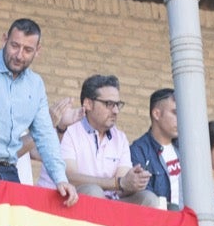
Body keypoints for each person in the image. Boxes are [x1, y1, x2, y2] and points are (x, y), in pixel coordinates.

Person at [0, 20, 77, 204]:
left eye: (27, 50)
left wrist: (61, 179)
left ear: (38, 51)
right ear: (4, 39)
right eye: (15, 46)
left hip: (8, 169)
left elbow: (45, 134)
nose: (19, 55)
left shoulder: (36, 84)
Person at [44, 74, 152, 204]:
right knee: (93, 192)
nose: (116, 110)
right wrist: (118, 183)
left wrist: (134, 181)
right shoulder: (68, 129)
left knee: (148, 198)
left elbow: (121, 186)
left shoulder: (120, 138)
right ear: (88, 104)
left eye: (118, 104)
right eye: (109, 104)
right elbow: (69, 177)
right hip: (65, 202)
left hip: (107, 204)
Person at [131, 88, 181, 208]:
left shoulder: (187, 147)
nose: (181, 118)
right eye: (175, 113)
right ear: (156, 114)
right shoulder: (139, 151)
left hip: (189, 221)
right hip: (161, 221)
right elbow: (146, 197)